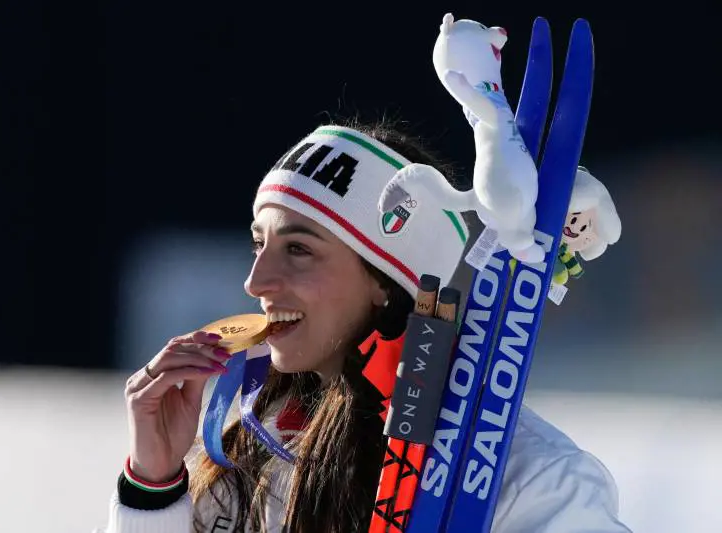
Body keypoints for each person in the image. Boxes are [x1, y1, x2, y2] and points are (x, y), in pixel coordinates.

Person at [95, 119, 632, 533]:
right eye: (260, 244)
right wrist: (153, 484)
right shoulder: (247, 456)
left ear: (384, 281)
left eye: (299, 250)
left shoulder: (529, 475)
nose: (256, 281)